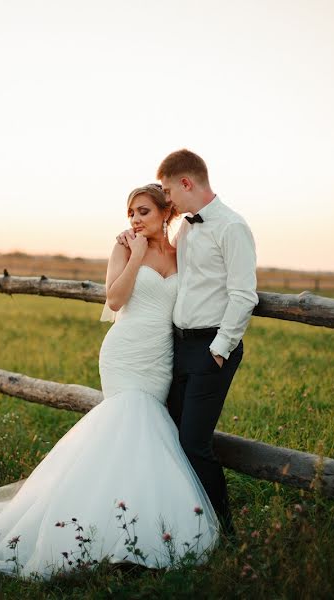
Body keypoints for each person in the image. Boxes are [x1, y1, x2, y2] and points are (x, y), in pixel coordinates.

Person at [0, 184, 219, 579]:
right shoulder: (124, 247)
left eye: (144, 211)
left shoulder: (180, 251)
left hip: (159, 359)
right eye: (131, 212)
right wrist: (134, 257)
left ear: (166, 213)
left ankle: (132, 524)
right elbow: (115, 300)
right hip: (125, 353)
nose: (135, 219)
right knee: (127, 422)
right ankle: (94, 529)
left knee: (145, 436)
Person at [119, 149, 258, 534]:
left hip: (212, 349)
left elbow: (244, 294)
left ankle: (222, 531)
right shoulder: (185, 229)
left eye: (167, 190)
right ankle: (180, 524)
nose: (166, 199)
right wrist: (132, 240)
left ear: (186, 183)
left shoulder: (232, 227)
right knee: (171, 439)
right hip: (177, 348)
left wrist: (219, 349)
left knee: (194, 443)